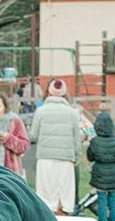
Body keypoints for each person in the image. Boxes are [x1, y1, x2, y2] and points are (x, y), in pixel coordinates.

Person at [30, 79, 86, 214]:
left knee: (47, 194)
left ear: (49, 91)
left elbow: (33, 136)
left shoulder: (41, 111)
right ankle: (64, 217)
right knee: (64, 194)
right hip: (66, 158)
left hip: (45, 157)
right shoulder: (72, 113)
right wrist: (77, 156)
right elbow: (76, 138)